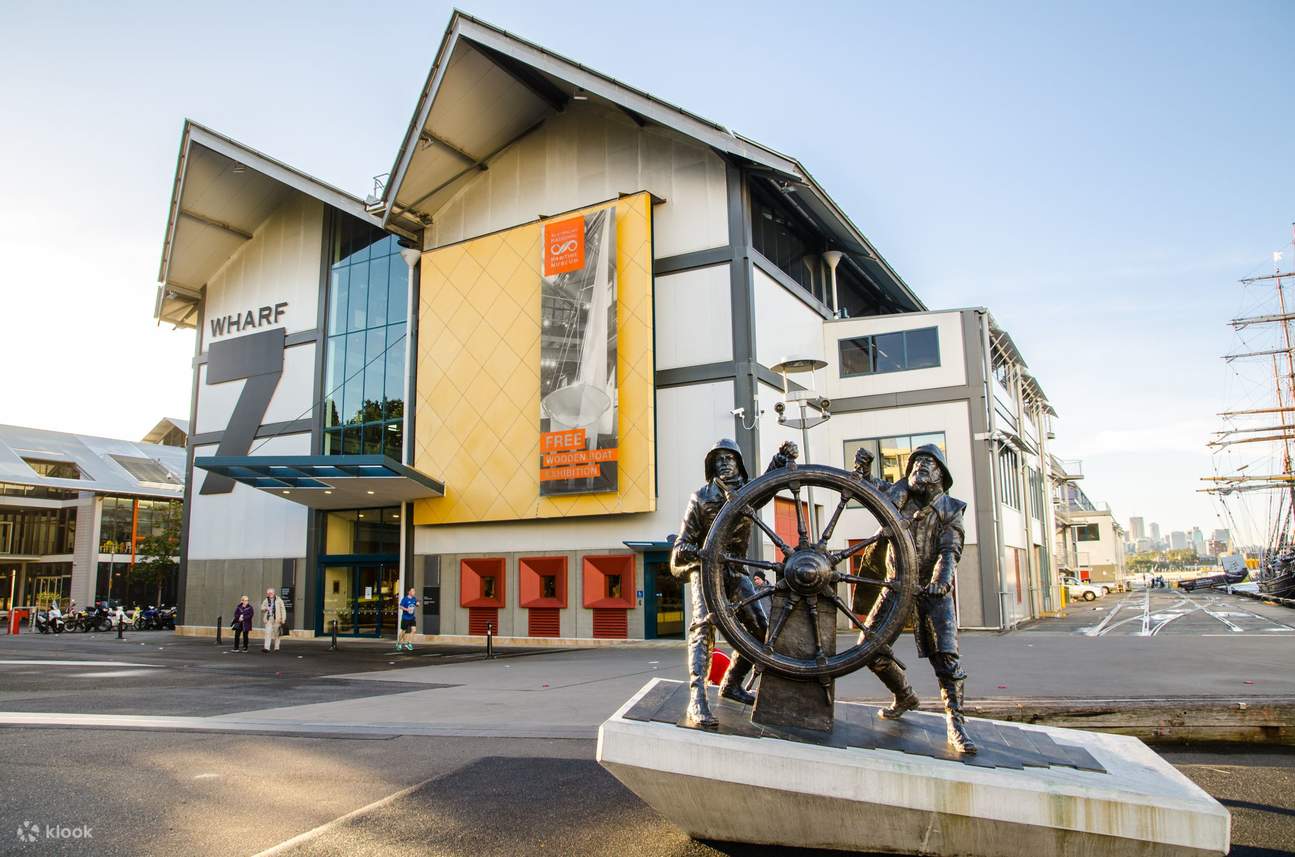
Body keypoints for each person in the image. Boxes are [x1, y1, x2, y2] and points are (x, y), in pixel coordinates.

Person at [670, 438, 798, 730]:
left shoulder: (747, 493)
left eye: (730, 457)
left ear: (739, 462)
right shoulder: (701, 498)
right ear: (711, 465)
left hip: (735, 572)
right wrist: (694, 551)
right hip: (705, 570)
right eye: (719, 459)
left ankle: (732, 684)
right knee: (703, 627)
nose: (725, 462)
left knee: (760, 631)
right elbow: (680, 546)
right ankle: (697, 698)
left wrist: (781, 458)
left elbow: (769, 483)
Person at [863, 444, 977, 754]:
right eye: (915, 464)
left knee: (947, 658)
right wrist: (863, 468)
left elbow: (949, 550)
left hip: (930, 588)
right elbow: (869, 487)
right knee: (868, 648)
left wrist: (941, 580)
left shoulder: (951, 509)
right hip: (896, 584)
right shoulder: (898, 497)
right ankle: (904, 695)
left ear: (941, 473)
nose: (918, 468)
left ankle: (956, 724)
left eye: (927, 463)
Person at [260, 588, 286, 653]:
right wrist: (266, 608)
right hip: (269, 618)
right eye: (268, 593)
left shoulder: (279, 600)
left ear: (274, 593)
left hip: (277, 619)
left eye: (271, 593)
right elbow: (262, 608)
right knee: (267, 633)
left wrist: (283, 619)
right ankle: (267, 648)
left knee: (277, 634)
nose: (270, 594)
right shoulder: (266, 600)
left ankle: (276, 648)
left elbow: (283, 610)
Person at [397, 587, 418, 652]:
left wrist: (417, 604)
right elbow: (400, 606)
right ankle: (399, 643)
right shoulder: (405, 599)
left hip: (412, 617)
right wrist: (406, 609)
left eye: (414, 591)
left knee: (414, 630)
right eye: (412, 591)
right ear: (409, 592)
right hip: (405, 618)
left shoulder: (414, 599)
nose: (414, 592)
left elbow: (416, 604)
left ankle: (409, 643)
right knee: (403, 631)